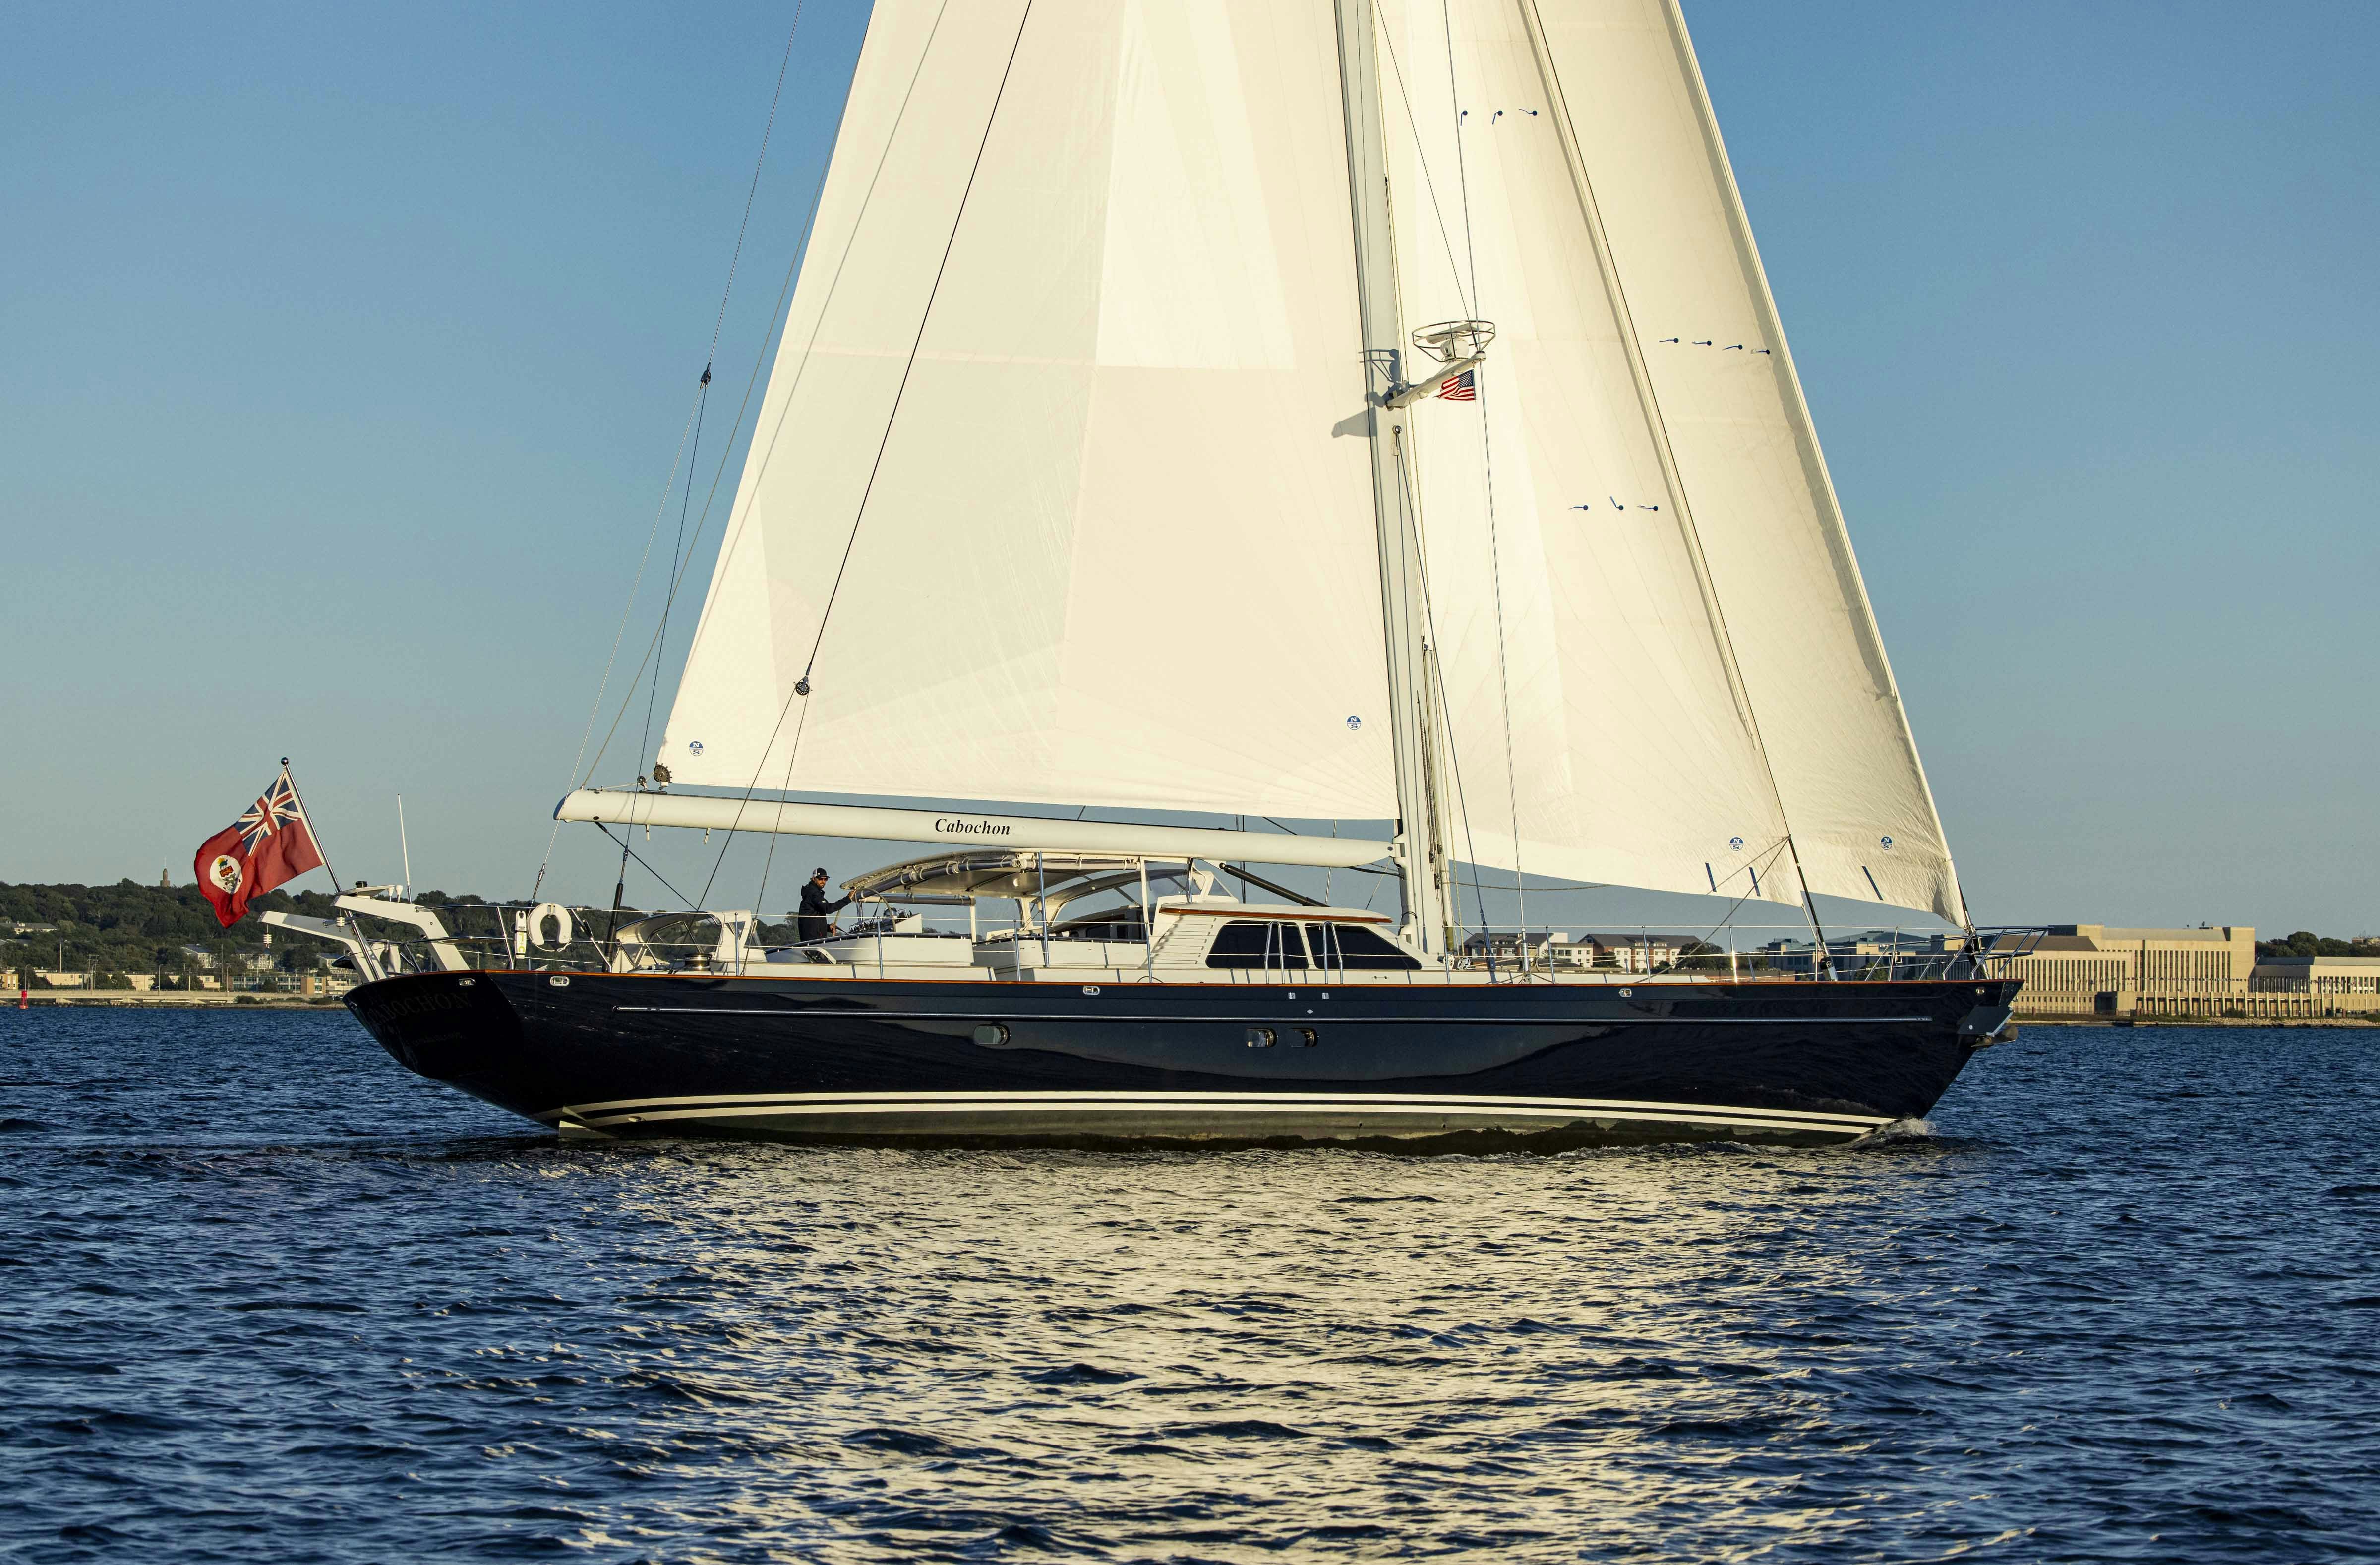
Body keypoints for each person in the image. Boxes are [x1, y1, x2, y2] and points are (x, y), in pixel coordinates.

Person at [796, 868, 853, 944]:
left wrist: (827, 928)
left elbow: (813, 921)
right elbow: (828, 909)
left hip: (812, 939)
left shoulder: (811, 892)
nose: (823, 882)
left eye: (826, 879)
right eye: (821, 879)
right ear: (814, 879)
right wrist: (848, 899)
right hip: (813, 941)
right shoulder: (814, 893)